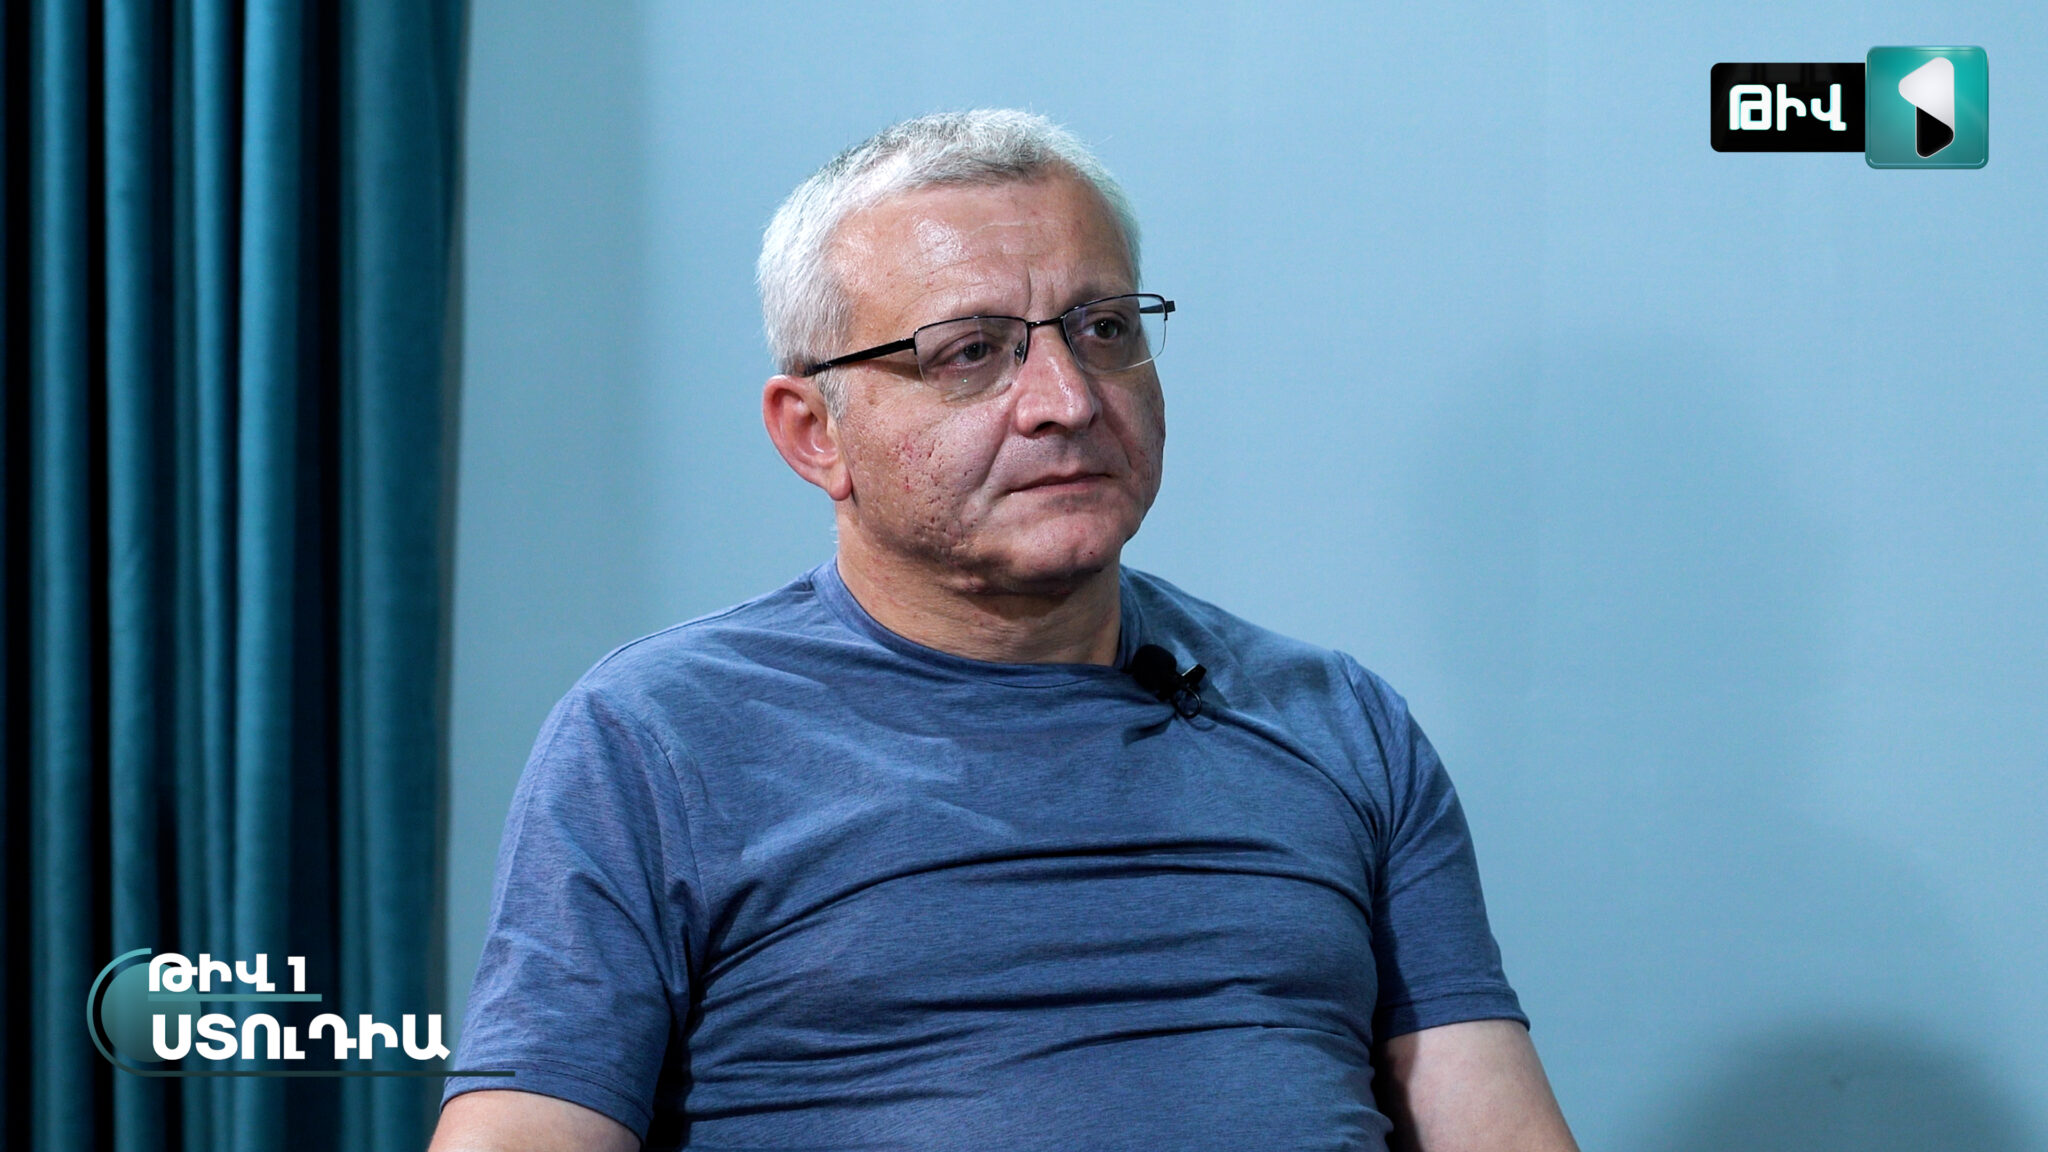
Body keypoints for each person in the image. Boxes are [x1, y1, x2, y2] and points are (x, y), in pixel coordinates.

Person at [431, 110, 1579, 1152]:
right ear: (813, 433)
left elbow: (1495, 1127)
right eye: (970, 352)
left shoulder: (1335, 722)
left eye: (1103, 328)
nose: (1065, 400)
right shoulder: (658, 736)